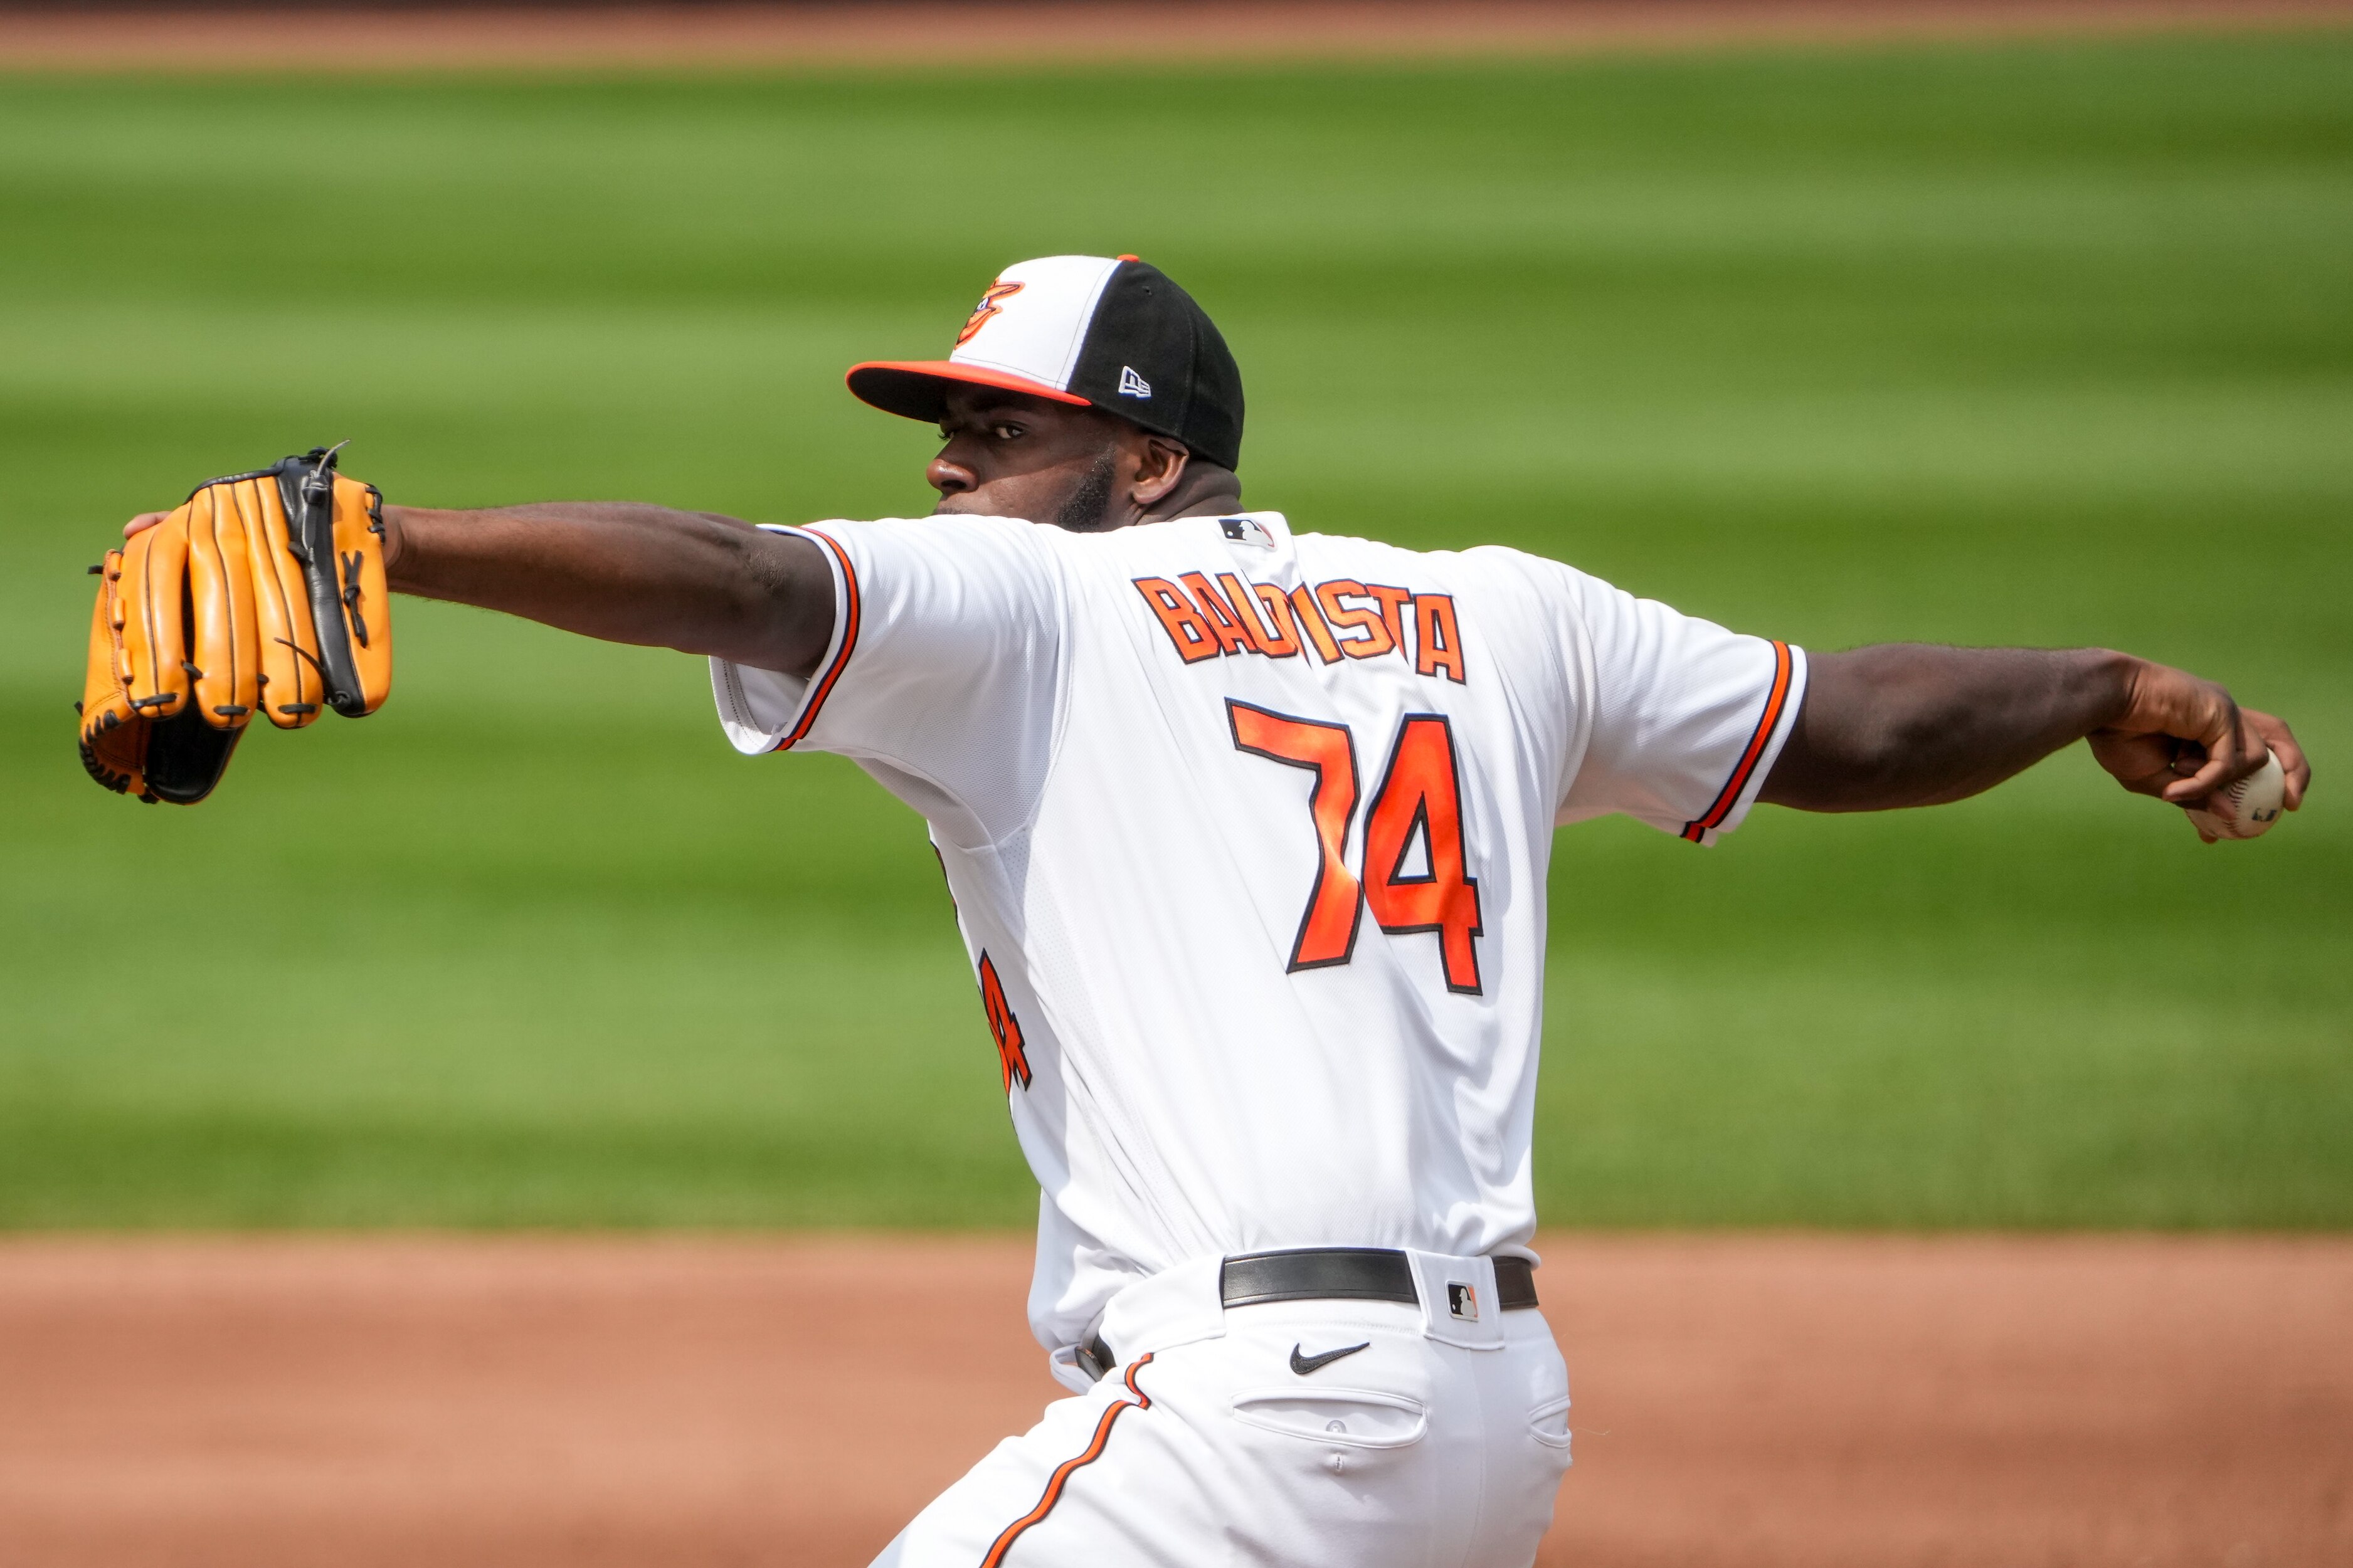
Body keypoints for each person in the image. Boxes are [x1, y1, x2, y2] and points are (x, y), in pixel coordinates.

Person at [123, 254, 2312, 1567]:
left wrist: (395, 539)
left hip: (1257, 1423)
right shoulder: (1493, 616)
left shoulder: (1048, 611)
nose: (951, 471)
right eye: (946, 430)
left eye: (1001, 428)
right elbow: (1846, 724)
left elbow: (758, 578)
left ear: (1153, 460)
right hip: (1488, 1431)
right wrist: (2110, 689)